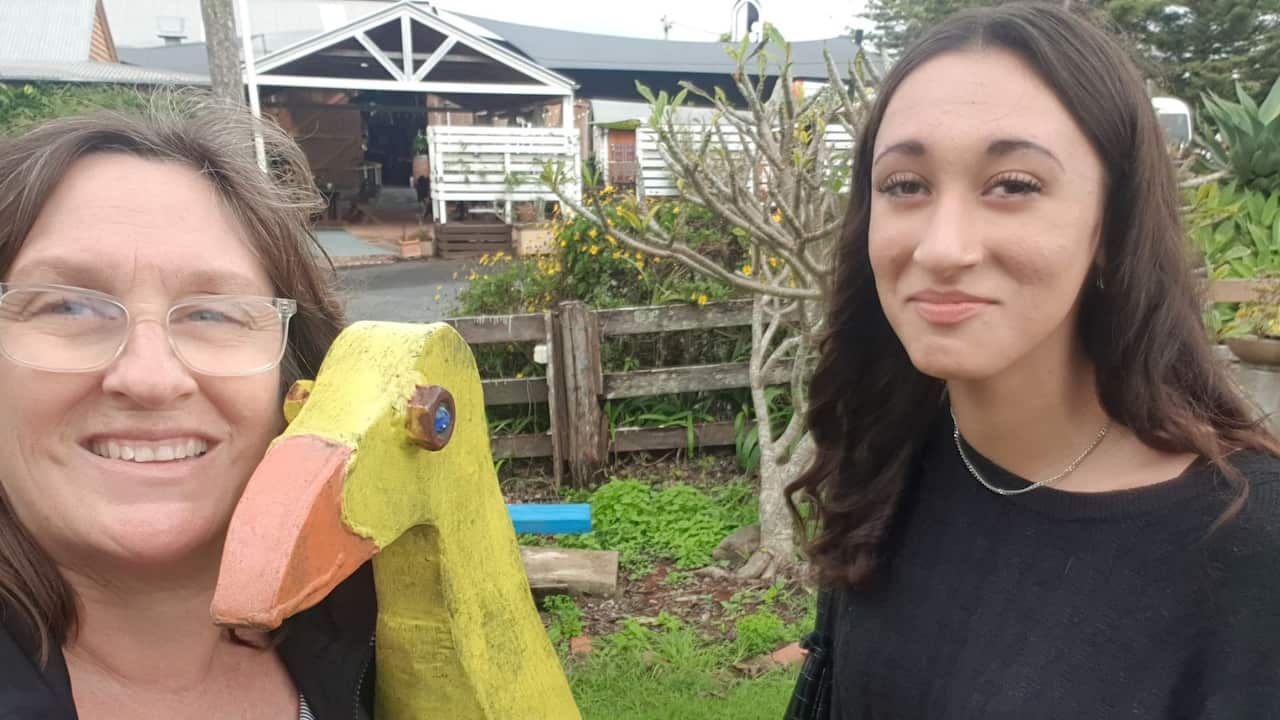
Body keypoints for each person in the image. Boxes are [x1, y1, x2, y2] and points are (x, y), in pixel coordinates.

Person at [786, 3, 1280, 718]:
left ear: (1112, 224)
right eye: (905, 185)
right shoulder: (888, 458)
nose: (941, 247)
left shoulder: (1249, 548)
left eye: (1013, 185)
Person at [0, 92, 376, 719]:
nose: (150, 378)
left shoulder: (399, 636)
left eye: (213, 313)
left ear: (297, 376)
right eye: (68, 306)